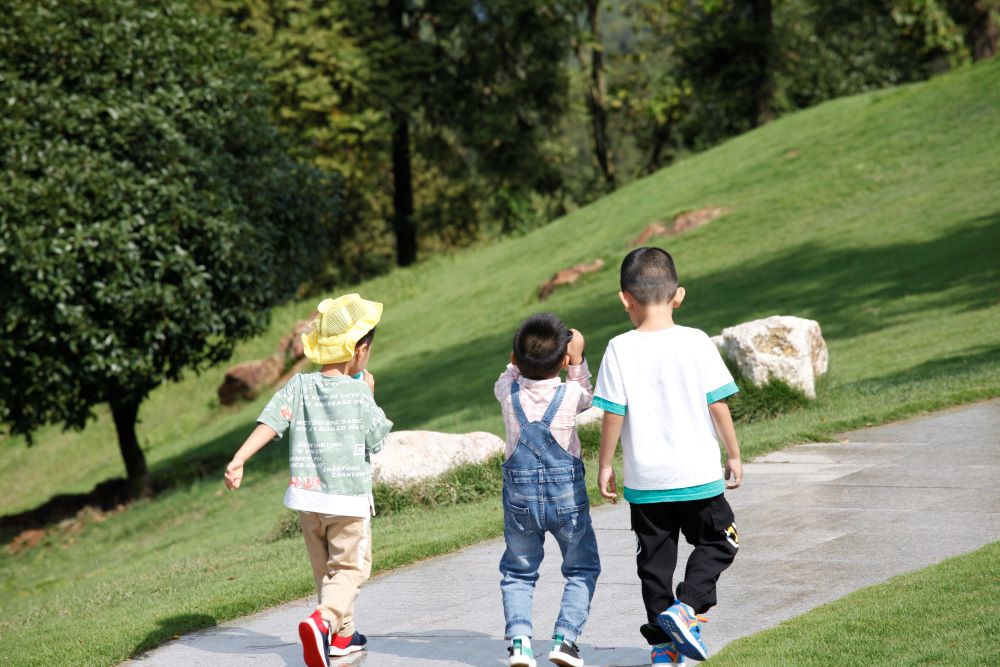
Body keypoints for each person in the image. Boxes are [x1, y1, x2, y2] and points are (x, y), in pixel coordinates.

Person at [223, 293, 391, 667]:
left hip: (307, 501)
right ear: (360, 350)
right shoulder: (359, 392)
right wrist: (369, 396)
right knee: (350, 569)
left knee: (327, 573)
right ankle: (323, 622)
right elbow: (377, 439)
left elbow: (272, 420)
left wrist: (240, 458)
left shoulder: (299, 386)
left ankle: (343, 636)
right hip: (347, 502)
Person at [594, 248, 742, 665]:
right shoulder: (696, 341)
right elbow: (717, 405)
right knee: (720, 541)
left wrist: (605, 464)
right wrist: (734, 453)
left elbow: (613, 414)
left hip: (646, 482)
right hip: (697, 476)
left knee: (654, 566)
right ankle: (686, 608)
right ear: (679, 295)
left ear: (625, 299)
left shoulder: (618, 348)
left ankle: (663, 649)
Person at [494, 313, 601, 667]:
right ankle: (565, 640)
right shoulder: (570, 393)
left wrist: (517, 361)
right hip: (567, 500)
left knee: (518, 571)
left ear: (515, 358)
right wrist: (578, 360)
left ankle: (520, 643)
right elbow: (587, 394)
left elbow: (509, 373)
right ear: (563, 360)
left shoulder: (507, 393)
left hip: (520, 504)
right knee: (581, 567)